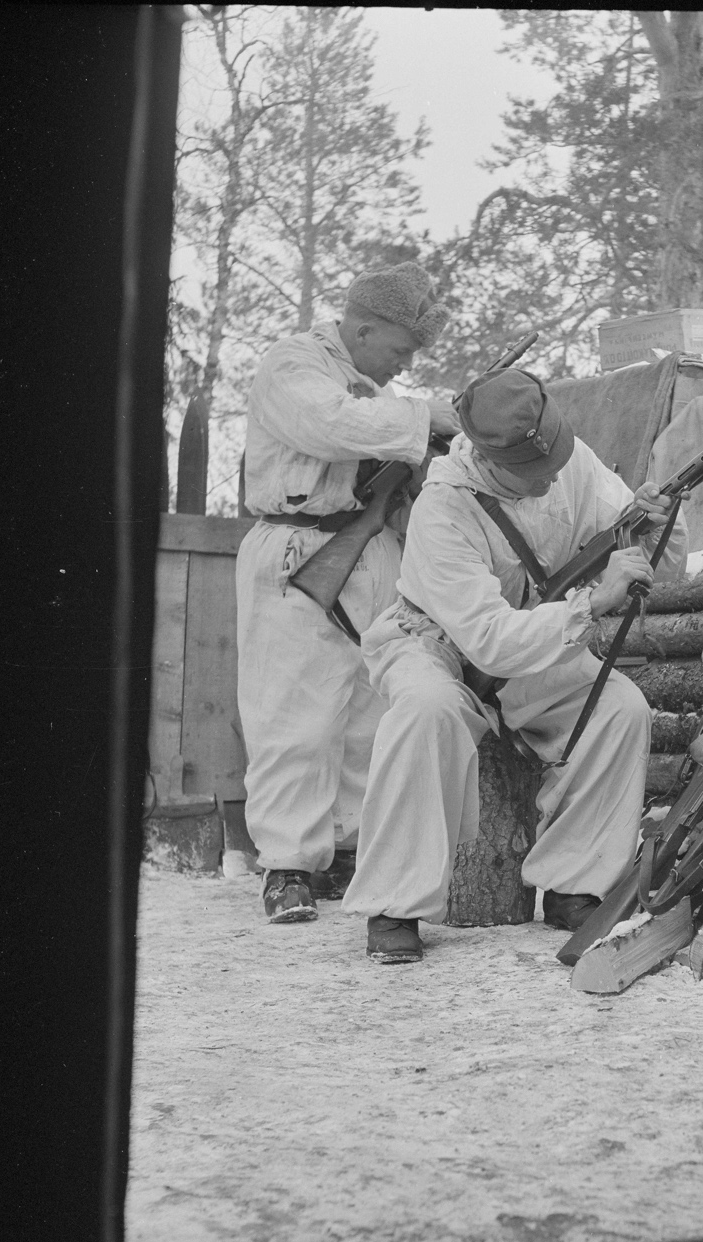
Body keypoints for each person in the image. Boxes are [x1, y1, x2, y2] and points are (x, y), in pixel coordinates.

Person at [342, 367, 687, 963]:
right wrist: (595, 602)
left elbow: (655, 560)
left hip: (539, 638)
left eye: (553, 464)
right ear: (487, 457)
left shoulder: (566, 458)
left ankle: (574, 884)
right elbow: (488, 640)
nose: (552, 478)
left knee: (620, 709)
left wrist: (653, 521)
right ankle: (394, 904)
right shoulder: (443, 505)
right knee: (427, 710)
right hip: (437, 641)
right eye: (534, 474)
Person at [236, 260, 461, 924]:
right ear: (363, 328)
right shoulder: (293, 364)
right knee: (293, 712)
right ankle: (286, 866)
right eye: (398, 350)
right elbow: (329, 424)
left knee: (371, 711)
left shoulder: (371, 386)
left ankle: (349, 852)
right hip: (297, 546)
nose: (401, 366)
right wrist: (427, 416)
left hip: (371, 551)